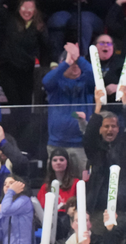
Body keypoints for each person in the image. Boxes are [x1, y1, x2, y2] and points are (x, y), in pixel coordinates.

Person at [84, 87, 126, 231]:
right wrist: (97, 107)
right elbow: (88, 137)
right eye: (106, 126)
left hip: (122, 208)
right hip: (97, 207)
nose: (110, 130)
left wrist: (125, 102)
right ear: (100, 129)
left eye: (113, 126)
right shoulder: (95, 151)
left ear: (118, 129)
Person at [42, 42, 94, 171]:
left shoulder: (87, 82)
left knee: (83, 183)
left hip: (82, 144)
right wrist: (66, 63)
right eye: (72, 64)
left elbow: (96, 76)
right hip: (57, 144)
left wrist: (79, 58)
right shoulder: (56, 83)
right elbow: (46, 81)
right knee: (56, 183)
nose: (75, 67)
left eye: (78, 64)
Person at [0, 0, 50, 107]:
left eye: (30, 8)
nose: (27, 11)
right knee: (15, 104)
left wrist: (46, 65)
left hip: (27, 71)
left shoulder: (39, 27)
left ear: (35, 10)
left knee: (26, 105)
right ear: (19, 8)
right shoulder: (10, 19)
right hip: (8, 69)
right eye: (24, 8)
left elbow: (46, 48)